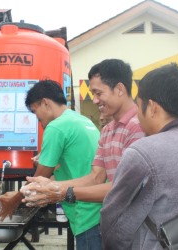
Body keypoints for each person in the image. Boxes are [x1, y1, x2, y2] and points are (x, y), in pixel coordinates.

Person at [99, 63, 178, 249]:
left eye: (138, 105)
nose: (137, 112)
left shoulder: (143, 152)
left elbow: (114, 227)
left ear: (152, 107)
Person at [0, 79, 103, 250]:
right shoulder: (81, 120)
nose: (39, 122)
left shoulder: (56, 127)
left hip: (86, 213)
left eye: (36, 113)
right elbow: (71, 166)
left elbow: (40, 177)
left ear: (45, 103)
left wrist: (14, 201)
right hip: (100, 211)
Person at [20, 59, 144, 205]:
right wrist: (53, 187)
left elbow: (126, 187)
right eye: (93, 94)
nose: (95, 101)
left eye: (98, 93)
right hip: (111, 218)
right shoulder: (107, 130)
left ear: (119, 89)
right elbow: (96, 178)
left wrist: (62, 192)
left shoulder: (139, 127)